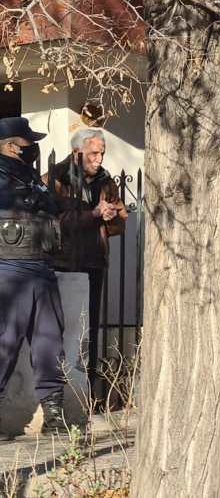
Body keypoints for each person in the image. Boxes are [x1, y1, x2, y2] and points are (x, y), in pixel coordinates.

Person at [43, 129, 127, 402]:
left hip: (94, 263)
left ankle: (85, 397)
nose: (99, 159)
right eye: (93, 153)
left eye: (102, 153)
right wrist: (93, 214)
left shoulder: (106, 181)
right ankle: (54, 397)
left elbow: (120, 224)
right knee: (58, 330)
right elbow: (54, 224)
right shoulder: (55, 178)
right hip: (62, 263)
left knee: (88, 330)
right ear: (77, 152)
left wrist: (111, 216)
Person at [0, 117, 67, 435]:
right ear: (11, 146)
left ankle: (54, 415)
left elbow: (51, 205)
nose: (34, 148)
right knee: (5, 342)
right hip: (9, 269)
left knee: (49, 343)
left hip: (41, 265)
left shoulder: (28, 175)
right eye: (29, 143)